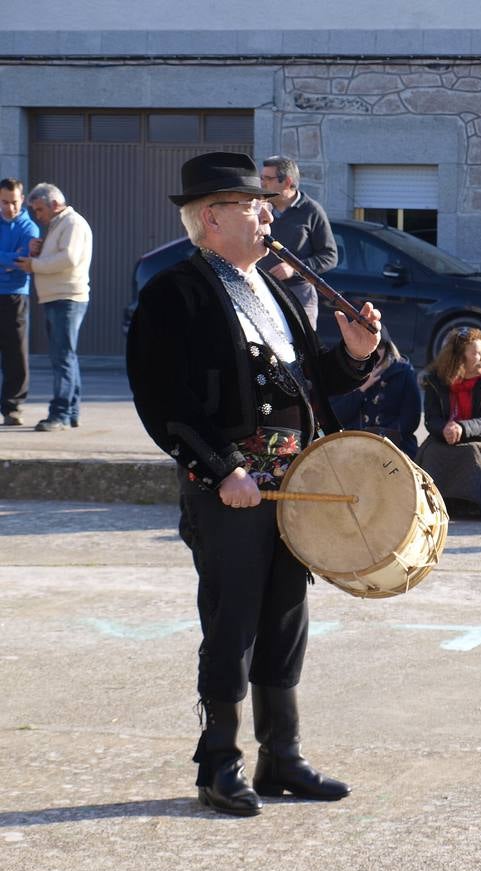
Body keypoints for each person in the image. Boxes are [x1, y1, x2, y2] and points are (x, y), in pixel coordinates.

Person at [127, 151, 381, 817]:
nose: (267, 217)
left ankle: (282, 757)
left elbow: (310, 383)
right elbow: (163, 400)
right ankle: (219, 763)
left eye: (264, 207)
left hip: (294, 484)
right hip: (232, 488)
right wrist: (221, 470)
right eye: (252, 207)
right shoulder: (174, 293)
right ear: (212, 218)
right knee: (232, 618)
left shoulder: (273, 285)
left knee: (286, 615)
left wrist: (355, 355)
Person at [15, 183, 92, 432]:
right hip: (58, 297)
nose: (37, 215)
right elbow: (59, 256)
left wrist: (34, 265)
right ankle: (71, 412)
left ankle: (60, 414)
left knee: (62, 358)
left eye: (39, 209)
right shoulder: (59, 225)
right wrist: (37, 253)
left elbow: (68, 258)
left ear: (55, 204)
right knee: (66, 357)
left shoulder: (72, 223)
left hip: (66, 298)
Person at [416, 326, 481, 520]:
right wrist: (444, 428)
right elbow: (431, 419)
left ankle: (474, 506)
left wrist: (463, 427)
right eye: (476, 353)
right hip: (445, 436)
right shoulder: (435, 380)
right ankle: (434, 505)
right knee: (432, 452)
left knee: (473, 452)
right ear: (459, 358)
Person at [260, 156, 337, 330]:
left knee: (301, 343)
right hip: (262, 290)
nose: (262, 183)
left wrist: (293, 268)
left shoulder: (311, 211)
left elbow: (329, 257)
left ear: (287, 182)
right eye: (261, 178)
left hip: (299, 295)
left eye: (268, 179)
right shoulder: (259, 208)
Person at [330, 339, 421, 457]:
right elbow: (337, 416)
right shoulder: (346, 372)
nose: (372, 352)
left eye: (377, 347)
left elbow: (410, 420)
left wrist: (382, 437)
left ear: (387, 348)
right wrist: (361, 389)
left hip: (392, 446)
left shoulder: (403, 373)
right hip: (354, 445)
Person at [0, 178, 38, 426]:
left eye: (14, 202)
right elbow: (14, 261)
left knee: (15, 355)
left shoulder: (30, 228)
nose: (10, 207)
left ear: (22, 200)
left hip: (15, 296)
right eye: (4, 202)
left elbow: (23, 261)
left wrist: (8, 261)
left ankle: (12, 407)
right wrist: (9, 261)